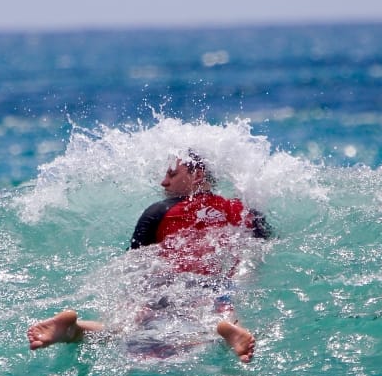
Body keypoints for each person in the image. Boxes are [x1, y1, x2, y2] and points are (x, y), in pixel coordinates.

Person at [27, 151, 269, 362]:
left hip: (163, 283)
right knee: (209, 323)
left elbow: (136, 263)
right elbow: (261, 251)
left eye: (172, 175)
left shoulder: (158, 211)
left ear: (198, 176)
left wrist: (128, 302)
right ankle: (227, 330)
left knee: (123, 330)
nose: (164, 182)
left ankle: (74, 329)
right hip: (212, 286)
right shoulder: (244, 211)